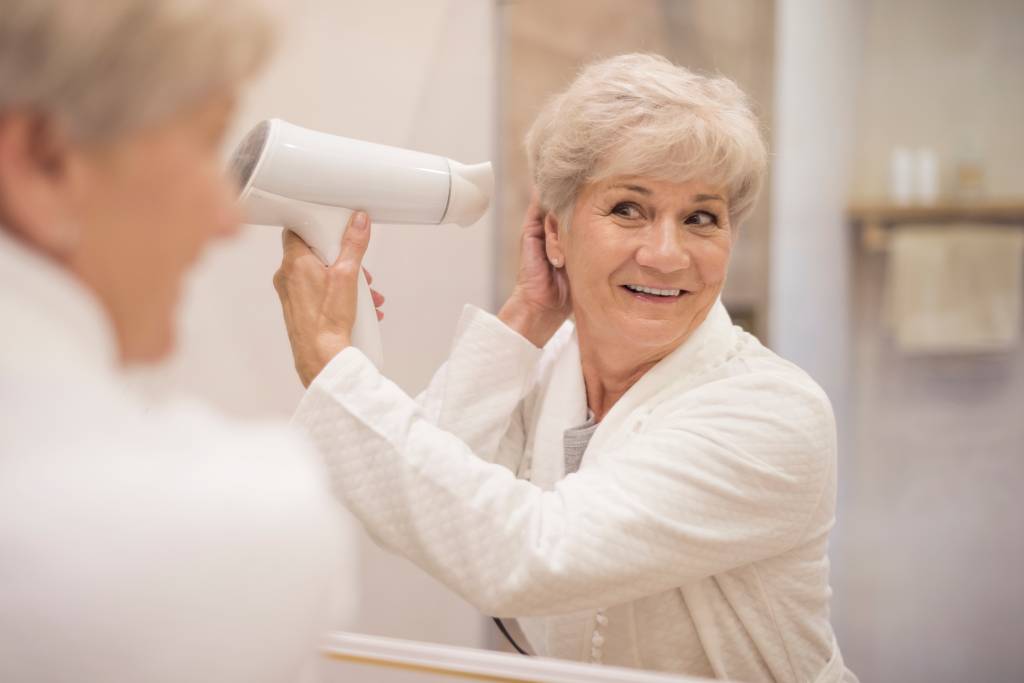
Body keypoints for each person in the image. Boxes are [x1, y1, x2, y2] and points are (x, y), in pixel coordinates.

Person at [274, 53, 856, 682]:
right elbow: (421, 492)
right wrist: (528, 312)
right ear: (554, 232)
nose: (665, 254)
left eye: (700, 218)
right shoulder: (552, 367)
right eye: (629, 208)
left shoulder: (771, 412)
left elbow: (533, 557)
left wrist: (330, 360)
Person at [0, 1, 362, 681]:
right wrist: (340, 367)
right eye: (206, 140)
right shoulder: (237, 514)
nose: (229, 219)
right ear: (44, 163)